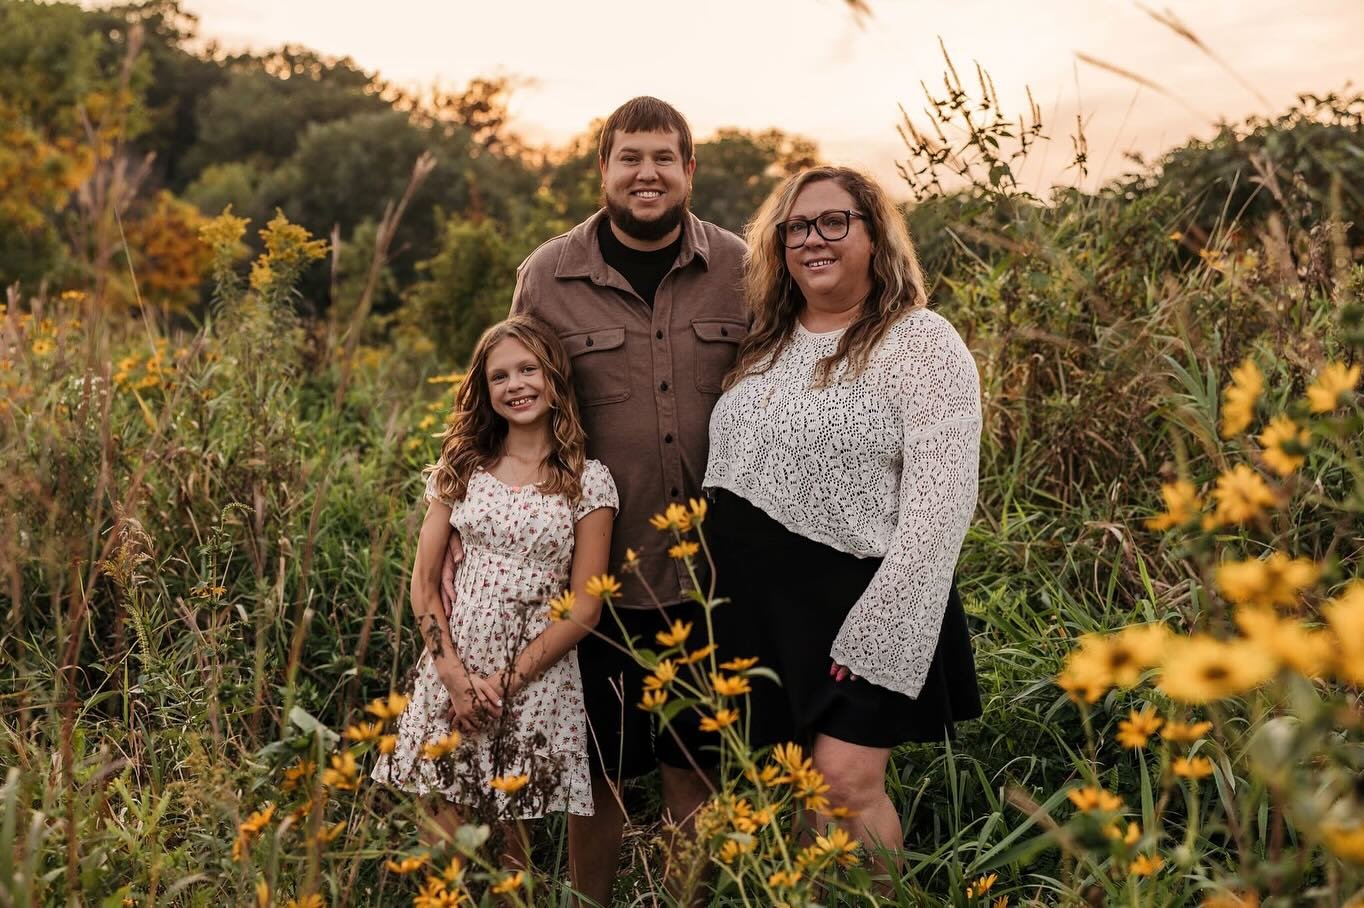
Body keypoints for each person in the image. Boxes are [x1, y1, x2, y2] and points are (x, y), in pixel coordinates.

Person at [442, 96, 747, 905]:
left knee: (696, 768)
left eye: (663, 158)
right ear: (603, 168)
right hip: (593, 585)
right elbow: (508, 396)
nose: (646, 174)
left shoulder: (742, 267)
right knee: (598, 775)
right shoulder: (548, 274)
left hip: (714, 582)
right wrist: (462, 527)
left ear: (690, 169)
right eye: (629, 158)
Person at [703, 165, 983, 868]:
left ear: (875, 234)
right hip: (768, 619)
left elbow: (941, 510)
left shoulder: (921, 342)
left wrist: (877, 635)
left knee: (845, 786)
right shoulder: (764, 342)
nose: (813, 240)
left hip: (871, 606)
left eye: (834, 222)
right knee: (806, 793)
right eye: (796, 227)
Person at [372, 315, 618, 868]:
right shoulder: (463, 470)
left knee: (512, 853)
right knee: (444, 840)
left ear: (553, 379)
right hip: (452, 672)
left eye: (528, 369)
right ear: (485, 392)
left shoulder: (586, 479)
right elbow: (424, 584)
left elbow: (585, 606)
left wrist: (504, 684)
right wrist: (456, 680)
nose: (516, 385)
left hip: (531, 680)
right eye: (499, 376)